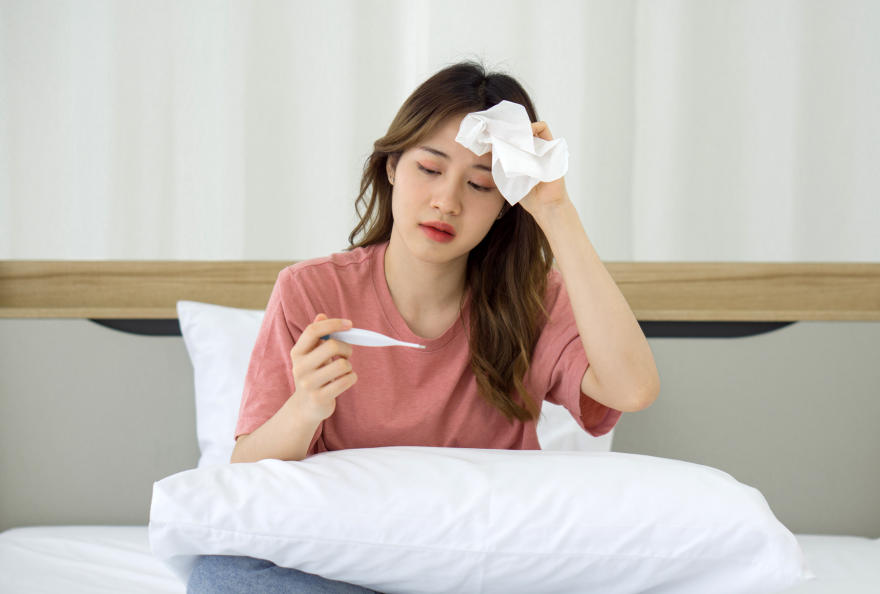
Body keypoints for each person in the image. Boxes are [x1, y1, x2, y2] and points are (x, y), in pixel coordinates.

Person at [187, 60, 660, 594]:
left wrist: (555, 210)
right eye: (429, 170)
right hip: (342, 565)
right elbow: (244, 472)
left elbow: (633, 388)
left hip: (482, 571)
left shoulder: (532, 300)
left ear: (506, 204)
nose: (446, 202)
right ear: (391, 167)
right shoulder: (312, 291)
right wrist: (305, 409)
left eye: (481, 185)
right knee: (220, 575)